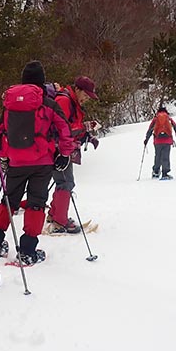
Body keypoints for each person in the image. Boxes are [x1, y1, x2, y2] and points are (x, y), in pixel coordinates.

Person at [0, 61, 74, 265]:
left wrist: (4, 155)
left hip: (16, 161)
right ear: (42, 82)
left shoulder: (10, 103)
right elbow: (64, 130)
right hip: (42, 162)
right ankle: (27, 250)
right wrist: (65, 154)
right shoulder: (48, 103)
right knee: (36, 203)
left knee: (9, 201)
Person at [47, 76, 100, 234]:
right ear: (77, 89)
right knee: (66, 183)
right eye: (85, 95)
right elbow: (62, 129)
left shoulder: (71, 101)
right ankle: (59, 222)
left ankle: (54, 215)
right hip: (58, 149)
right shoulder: (65, 101)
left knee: (62, 182)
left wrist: (86, 135)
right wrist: (84, 127)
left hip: (61, 148)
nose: (86, 99)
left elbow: (70, 127)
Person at [144, 105, 176, 180]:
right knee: (165, 157)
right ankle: (165, 173)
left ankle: (156, 172)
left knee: (157, 156)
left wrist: (146, 139)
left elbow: (150, 130)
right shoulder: (168, 118)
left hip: (157, 141)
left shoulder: (156, 119)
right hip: (167, 141)